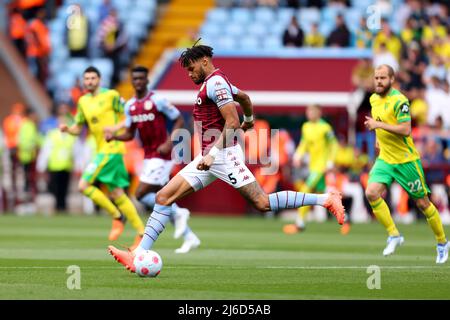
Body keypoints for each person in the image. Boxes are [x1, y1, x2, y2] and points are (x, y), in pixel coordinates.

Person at [108, 44, 345, 272]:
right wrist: (250, 119)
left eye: (191, 68)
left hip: (221, 155)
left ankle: (326, 199)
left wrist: (213, 153)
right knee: (163, 197)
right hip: (210, 156)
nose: (189, 74)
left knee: (262, 202)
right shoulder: (219, 82)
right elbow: (244, 97)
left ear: (204, 61)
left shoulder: (216, 83)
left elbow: (232, 122)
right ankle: (138, 253)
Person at [104, 65, 201, 254]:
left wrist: (169, 142)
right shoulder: (130, 106)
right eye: (135, 79)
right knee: (163, 198)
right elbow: (130, 134)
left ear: (147, 80)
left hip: (162, 155)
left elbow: (179, 119)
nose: (138, 82)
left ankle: (179, 213)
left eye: (141, 78)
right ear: (132, 82)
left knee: (140, 194)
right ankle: (190, 237)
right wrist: (114, 136)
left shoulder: (157, 100)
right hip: (148, 157)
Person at [364, 64, 449, 264]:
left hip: (406, 161)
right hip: (385, 158)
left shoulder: (400, 100)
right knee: (371, 193)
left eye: (383, 78)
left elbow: (405, 129)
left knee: (423, 203)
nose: (378, 81)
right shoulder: (373, 99)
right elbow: (379, 120)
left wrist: (378, 125)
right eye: (376, 78)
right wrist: (378, 137)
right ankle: (394, 235)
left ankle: (442, 242)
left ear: (392, 80)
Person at [60, 66, 145, 248]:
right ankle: (141, 232)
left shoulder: (111, 95)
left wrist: (116, 128)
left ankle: (116, 215)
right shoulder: (83, 101)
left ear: (99, 79)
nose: (89, 81)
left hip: (112, 148)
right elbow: (78, 127)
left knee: (83, 185)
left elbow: (132, 112)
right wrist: (68, 129)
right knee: (118, 194)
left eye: (92, 78)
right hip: (102, 150)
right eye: (87, 79)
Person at [283, 105, 349, 234]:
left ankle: (299, 223)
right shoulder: (306, 126)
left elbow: (334, 145)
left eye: (313, 111)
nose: (310, 114)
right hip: (312, 166)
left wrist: (330, 162)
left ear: (319, 113)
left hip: (321, 167)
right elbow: (304, 144)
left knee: (305, 191)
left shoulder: (325, 128)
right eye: (308, 111)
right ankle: (346, 220)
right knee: (325, 194)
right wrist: (298, 155)